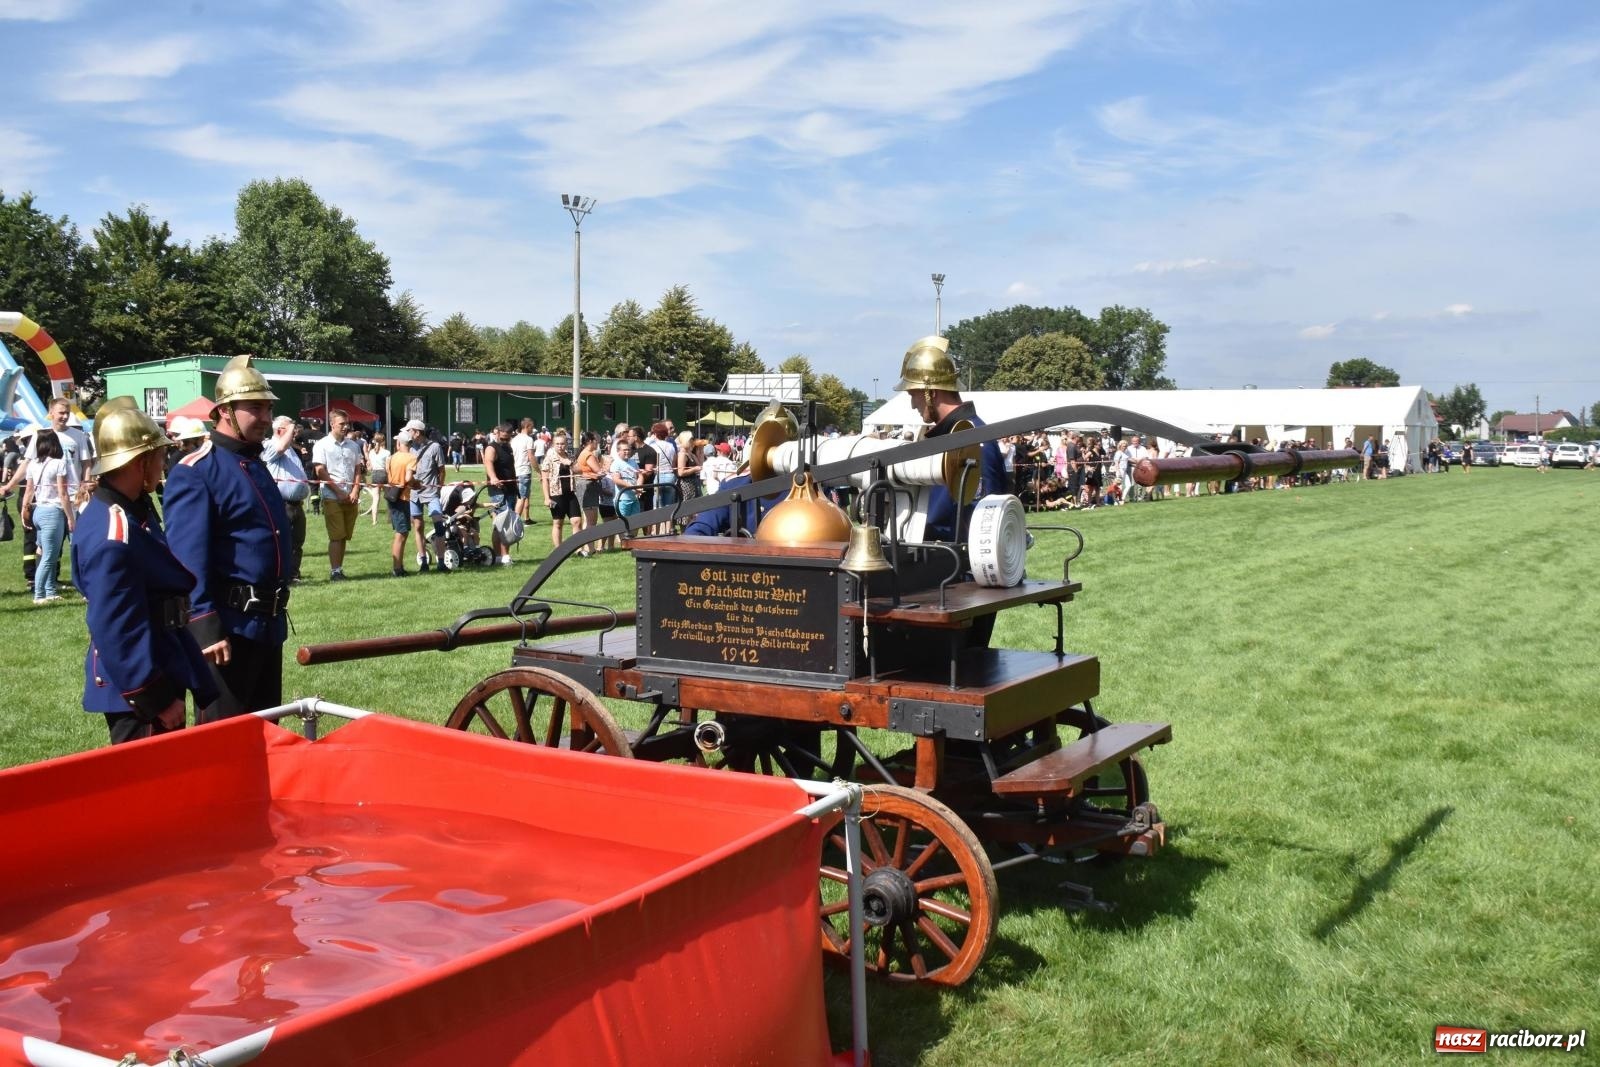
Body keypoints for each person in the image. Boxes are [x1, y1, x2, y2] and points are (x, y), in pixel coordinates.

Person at [72, 398, 216, 744]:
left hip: (163, 655)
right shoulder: (114, 533)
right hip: (142, 679)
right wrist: (154, 696)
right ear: (141, 461)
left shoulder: (134, 510)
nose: (165, 463)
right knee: (149, 789)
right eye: (160, 455)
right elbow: (116, 627)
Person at [164, 355, 293, 722]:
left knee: (266, 735)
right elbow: (187, 559)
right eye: (256, 408)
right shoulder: (197, 470)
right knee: (222, 741)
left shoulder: (256, 464)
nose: (266, 418)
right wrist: (204, 627)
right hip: (226, 632)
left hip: (267, 625)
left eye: (268, 408)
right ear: (225, 411)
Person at [894, 335, 1007, 541]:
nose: (912, 405)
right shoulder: (951, 437)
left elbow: (981, 524)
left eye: (913, 395)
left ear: (931, 392)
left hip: (956, 569)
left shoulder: (973, 440)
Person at [311, 410, 365, 581]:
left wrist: (355, 490)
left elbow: (358, 469)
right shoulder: (322, 445)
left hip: (351, 496)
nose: (346, 426)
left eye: (347, 423)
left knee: (344, 535)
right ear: (332, 424)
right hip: (332, 496)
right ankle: (335, 571)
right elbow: (320, 471)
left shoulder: (353, 445)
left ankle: (339, 569)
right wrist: (339, 491)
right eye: (342, 423)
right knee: (336, 535)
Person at [21, 430, 73, 603]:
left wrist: (24, 511)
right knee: (50, 556)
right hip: (52, 512)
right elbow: (63, 493)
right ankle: (39, 594)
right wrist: (71, 517)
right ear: (55, 444)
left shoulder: (32, 464)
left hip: (38, 511)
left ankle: (50, 591)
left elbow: (28, 490)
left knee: (44, 553)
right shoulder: (59, 463)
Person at [261, 416, 310, 582]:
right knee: (282, 541)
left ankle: (293, 574)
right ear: (280, 430)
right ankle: (280, 575)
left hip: (297, 504)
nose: (295, 432)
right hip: (282, 504)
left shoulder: (290, 448)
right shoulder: (271, 445)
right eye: (292, 429)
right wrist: (289, 429)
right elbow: (280, 447)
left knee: (297, 541)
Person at [408, 421, 447, 570]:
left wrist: (438, 488)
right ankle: (423, 560)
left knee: (439, 525)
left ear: (417, 432)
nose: (408, 434)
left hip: (431, 493)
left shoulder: (435, 447)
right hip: (414, 494)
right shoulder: (410, 448)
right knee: (418, 526)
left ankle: (441, 562)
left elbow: (442, 470)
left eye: (410, 431)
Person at [481, 420, 519, 564]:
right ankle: (503, 556)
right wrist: (493, 477)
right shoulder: (492, 448)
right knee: (503, 524)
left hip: (510, 490)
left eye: (507, 438)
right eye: (502, 437)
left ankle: (498, 557)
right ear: (497, 433)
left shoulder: (508, 447)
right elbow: (488, 463)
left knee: (501, 524)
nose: (504, 440)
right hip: (498, 491)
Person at [385, 428, 419, 577]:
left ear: (399, 443)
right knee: (401, 533)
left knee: (401, 532)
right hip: (402, 498)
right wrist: (416, 483)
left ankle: (398, 567)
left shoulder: (391, 457)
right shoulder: (411, 458)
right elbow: (407, 478)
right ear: (410, 443)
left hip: (392, 496)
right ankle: (397, 568)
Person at [540, 429, 581, 552]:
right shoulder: (549, 457)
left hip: (570, 493)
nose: (560, 446)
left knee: (577, 521)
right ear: (553, 444)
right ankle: (559, 550)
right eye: (557, 444)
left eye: (562, 444)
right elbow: (544, 479)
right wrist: (547, 498)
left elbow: (579, 470)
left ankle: (578, 549)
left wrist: (570, 464)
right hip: (556, 494)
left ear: (566, 444)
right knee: (558, 523)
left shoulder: (570, 456)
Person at [609, 437, 643, 518]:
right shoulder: (616, 463)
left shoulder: (633, 462)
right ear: (618, 451)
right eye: (624, 450)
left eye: (628, 449)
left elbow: (640, 475)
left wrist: (639, 486)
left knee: (636, 523)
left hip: (634, 498)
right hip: (623, 499)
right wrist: (633, 487)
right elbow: (616, 480)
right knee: (623, 525)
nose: (627, 452)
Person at [512, 417, 536, 520]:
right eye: (532, 427)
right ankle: (515, 521)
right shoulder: (529, 439)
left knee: (523, 496)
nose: (533, 429)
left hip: (515, 471)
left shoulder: (514, 439)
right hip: (524, 471)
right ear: (527, 426)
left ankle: (527, 519)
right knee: (521, 497)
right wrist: (539, 471)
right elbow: (531, 457)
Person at [365, 431, 391, 524]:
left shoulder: (371, 452)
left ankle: (374, 521)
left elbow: (370, 467)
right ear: (383, 441)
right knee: (389, 498)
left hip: (375, 474)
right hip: (383, 474)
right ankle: (390, 519)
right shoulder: (387, 452)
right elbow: (388, 468)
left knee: (375, 499)